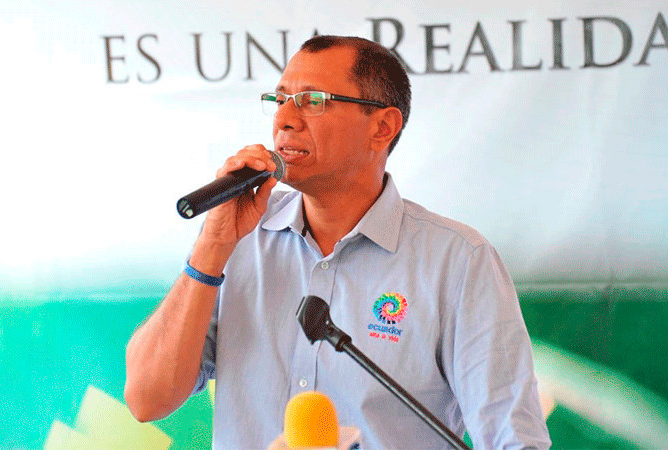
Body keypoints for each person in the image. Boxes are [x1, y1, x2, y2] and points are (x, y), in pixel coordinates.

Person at [124, 35, 551, 449]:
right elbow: (147, 400)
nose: (284, 119)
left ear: (382, 127)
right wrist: (212, 246)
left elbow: (515, 440)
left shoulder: (457, 261)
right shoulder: (237, 238)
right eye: (280, 99)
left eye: (313, 101)